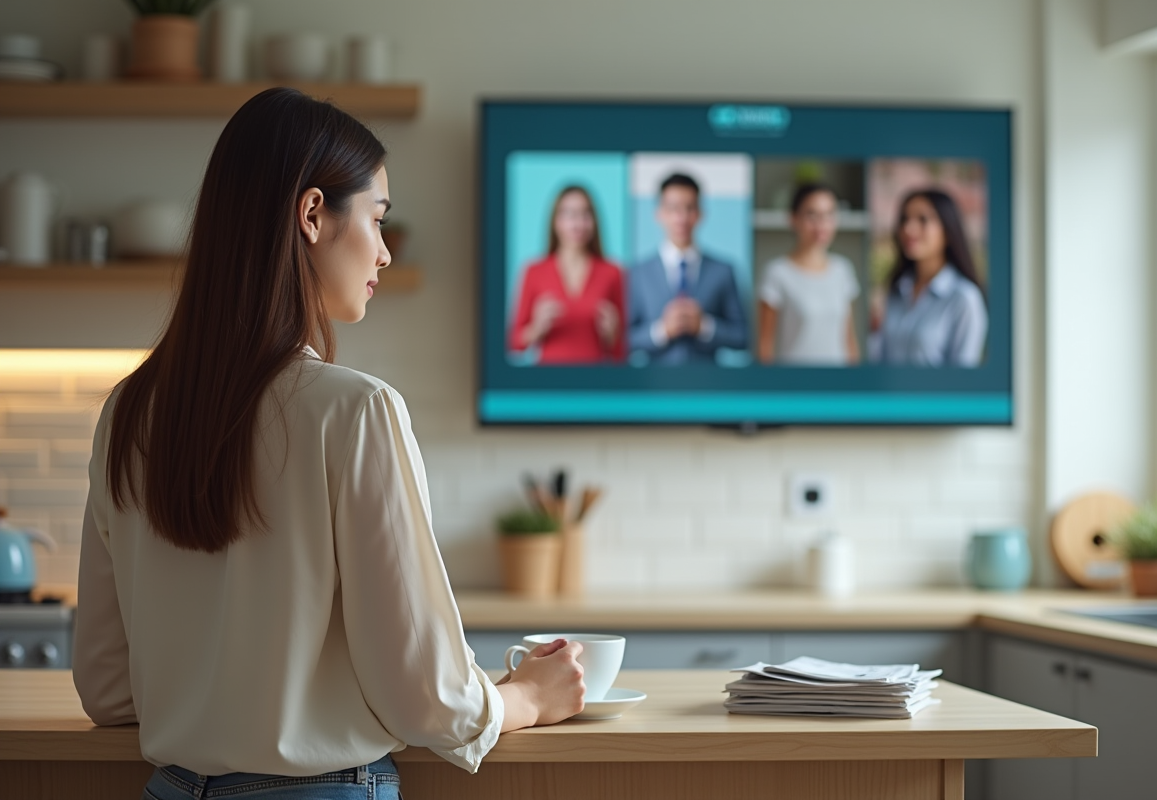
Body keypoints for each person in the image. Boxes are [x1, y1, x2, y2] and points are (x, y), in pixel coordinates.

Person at [72, 88, 585, 800]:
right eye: (376, 219)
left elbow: (107, 688)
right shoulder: (356, 411)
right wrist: (525, 697)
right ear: (312, 214)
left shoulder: (129, 412)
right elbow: (427, 701)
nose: (381, 250)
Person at [626, 173, 748, 364]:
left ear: (700, 214)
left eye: (689, 208)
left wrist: (705, 327)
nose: (681, 218)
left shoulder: (723, 271)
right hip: (655, 387)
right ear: (659, 214)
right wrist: (662, 331)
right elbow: (624, 339)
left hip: (707, 386)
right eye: (673, 208)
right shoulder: (638, 273)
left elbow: (743, 336)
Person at [508, 185, 625, 364]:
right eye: (570, 214)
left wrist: (612, 335)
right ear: (555, 221)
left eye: (585, 214)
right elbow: (514, 343)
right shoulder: (534, 271)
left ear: (594, 222)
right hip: (548, 383)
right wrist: (536, 329)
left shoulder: (612, 272)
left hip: (594, 382)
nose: (578, 223)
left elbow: (622, 352)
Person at [874, 188, 988, 367]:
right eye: (904, 219)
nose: (908, 229)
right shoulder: (896, 291)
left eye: (923, 219)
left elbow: (964, 376)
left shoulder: (964, 297)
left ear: (948, 229)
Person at [757, 183, 861, 366]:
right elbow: (765, 346)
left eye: (829, 215)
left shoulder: (843, 270)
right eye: (812, 215)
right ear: (793, 219)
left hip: (838, 386)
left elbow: (848, 339)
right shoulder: (777, 272)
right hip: (795, 386)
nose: (821, 224)